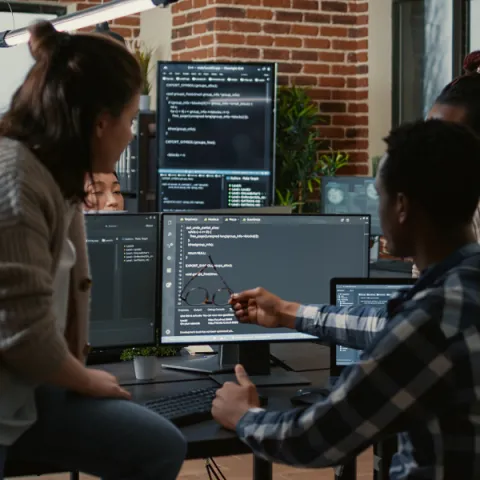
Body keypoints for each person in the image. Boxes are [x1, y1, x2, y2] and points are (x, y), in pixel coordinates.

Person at [212, 119, 480, 478]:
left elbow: (316, 437)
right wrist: (288, 312)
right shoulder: (463, 286)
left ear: (401, 206)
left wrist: (243, 416)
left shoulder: (433, 318)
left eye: (378, 195)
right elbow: (384, 327)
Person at [0, 21, 185, 480]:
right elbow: (22, 336)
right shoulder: (16, 181)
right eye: (130, 119)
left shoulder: (56, 177)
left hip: (31, 389)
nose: (132, 135)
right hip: (12, 393)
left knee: (159, 446)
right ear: (101, 122)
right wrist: (87, 380)